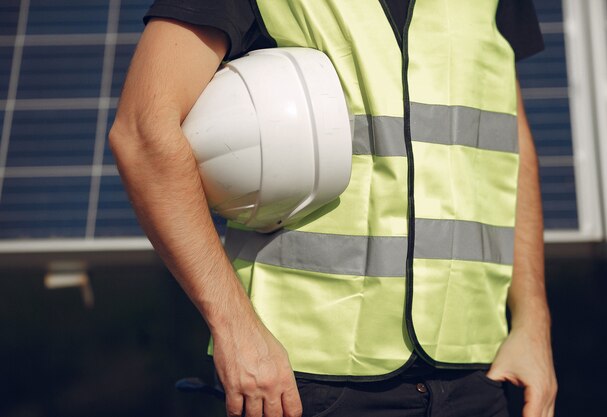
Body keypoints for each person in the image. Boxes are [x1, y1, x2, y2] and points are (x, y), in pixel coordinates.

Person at [109, 1, 557, 416]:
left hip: (479, 373)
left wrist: (533, 321)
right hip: (300, 382)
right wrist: (235, 330)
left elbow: (506, 140)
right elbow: (143, 134)